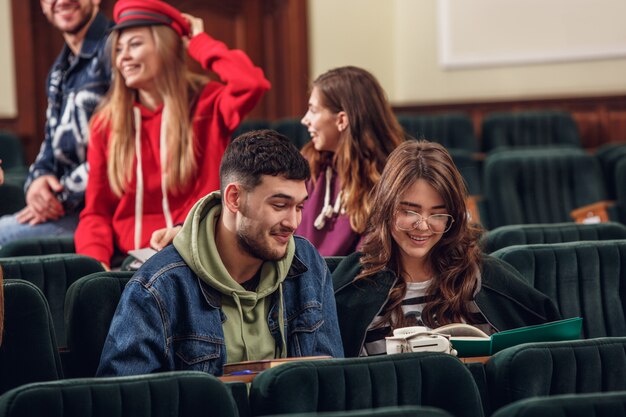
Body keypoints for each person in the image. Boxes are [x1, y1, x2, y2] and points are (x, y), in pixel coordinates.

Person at [97, 130, 344, 377]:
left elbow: (332, 383)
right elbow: (122, 402)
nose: (293, 222)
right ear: (234, 198)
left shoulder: (308, 264)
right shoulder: (157, 288)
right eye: (279, 205)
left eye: (299, 207)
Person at [74, 0, 270, 268]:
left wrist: (199, 42)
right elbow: (95, 213)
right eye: (118, 49)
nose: (123, 57)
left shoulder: (207, 104)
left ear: (165, 46)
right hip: (130, 264)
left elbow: (251, 83)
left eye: (135, 44)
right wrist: (95, 266)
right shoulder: (105, 124)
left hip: (198, 256)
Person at [333, 140, 562, 357]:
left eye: (437, 214)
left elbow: (552, 350)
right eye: (409, 211)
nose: (422, 225)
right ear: (386, 208)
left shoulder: (485, 277)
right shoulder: (352, 286)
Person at [0, 0, 111, 246]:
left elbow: (123, 151)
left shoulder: (116, 51)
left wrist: (58, 197)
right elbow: (50, 144)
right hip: (66, 209)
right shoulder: (59, 69)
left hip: (98, 213)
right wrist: (36, 182)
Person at [297, 66, 404, 256]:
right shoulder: (307, 164)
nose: (305, 120)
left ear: (342, 120)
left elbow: (368, 263)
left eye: (313, 110)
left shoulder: (388, 179)